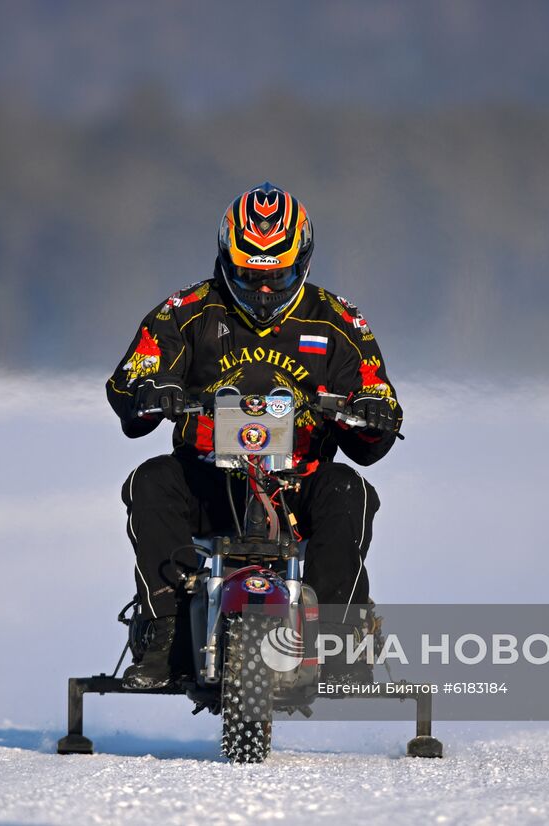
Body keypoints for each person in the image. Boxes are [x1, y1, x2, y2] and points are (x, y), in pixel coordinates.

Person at [105, 182, 403, 689]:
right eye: (249, 277)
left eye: (277, 278)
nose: (263, 292)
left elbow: (378, 420)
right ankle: (164, 631)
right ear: (227, 261)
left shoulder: (338, 322)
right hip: (208, 481)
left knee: (350, 490)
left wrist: (371, 413)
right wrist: (151, 390)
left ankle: (338, 634)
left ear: (301, 264)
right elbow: (132, 380)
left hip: (297, 485)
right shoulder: (187, 311)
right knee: (149, 481)